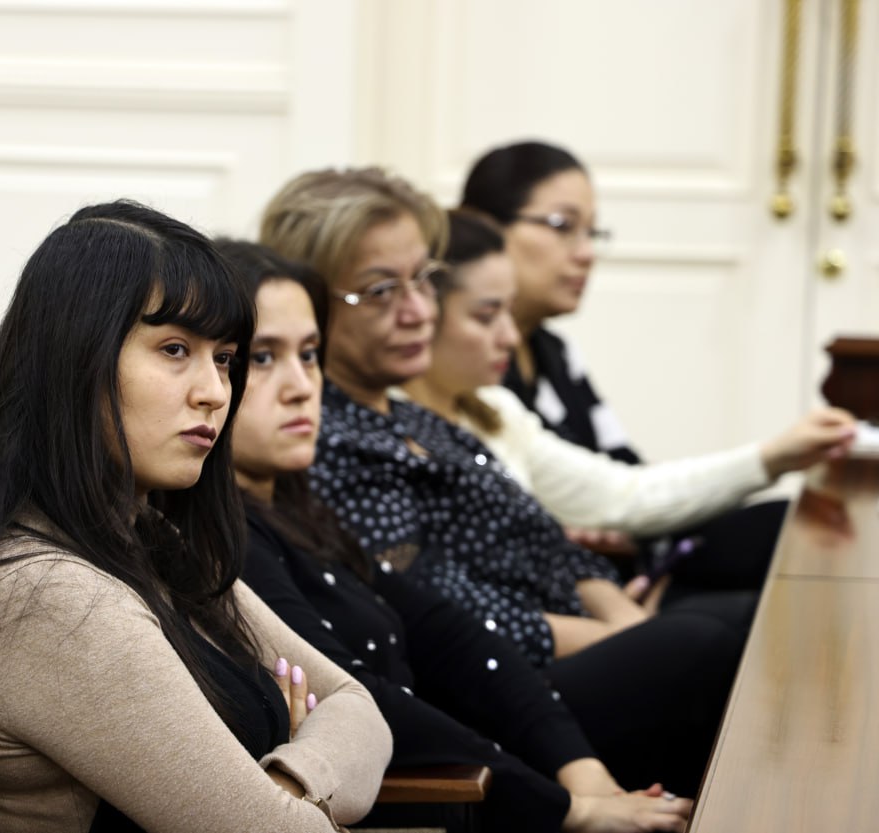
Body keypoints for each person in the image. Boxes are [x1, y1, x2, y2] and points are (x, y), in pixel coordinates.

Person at [258, 166, 751, 795]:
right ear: (311, 300)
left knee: (732, 618)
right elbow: (443, 608)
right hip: (496, 689)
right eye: (381, 290)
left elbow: (541, 535)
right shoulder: (323, 440)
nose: (416, 311)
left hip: (554, 648)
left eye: (424, 280)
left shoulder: (411, 412)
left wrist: (616, 607)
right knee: (708, 643)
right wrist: (625, 634)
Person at [0, 201, 391, 833]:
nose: (215, 391)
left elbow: (358, 709)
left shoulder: (137, 534)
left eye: (222, 357)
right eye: (173, 349)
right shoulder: (47, 598)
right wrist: (291, 783)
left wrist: (287, 782)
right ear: (74, 359)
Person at [219, 237, 691, 832]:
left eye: (310, 354)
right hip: (421, 799)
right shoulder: (227, 539)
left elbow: (447, 633)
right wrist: (567, 809)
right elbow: (362, 698)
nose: (300, 385)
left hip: (473, 754)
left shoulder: (296, 504)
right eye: (262, 358)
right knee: (697, 649)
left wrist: (581, 772)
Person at [402, 208, 856, 602]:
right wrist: (608, 616)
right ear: (424, 313)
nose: (509, 335)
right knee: (718, 628)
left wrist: (773, 457)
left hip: (567, 608)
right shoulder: (395, 430)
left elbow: (624, 493)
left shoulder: (495, 408)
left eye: (508, 311)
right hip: (522, 640)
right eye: (486, 316)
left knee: (774, 535)